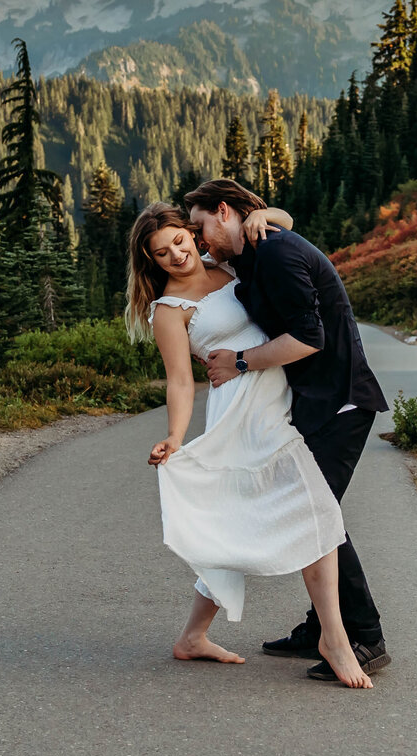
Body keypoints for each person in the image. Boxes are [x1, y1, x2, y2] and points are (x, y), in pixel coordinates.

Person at [125, 202, 373, 689]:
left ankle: (193, 636)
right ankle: (336, 640)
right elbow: (179, 382)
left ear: (193, 234)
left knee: (244, 522)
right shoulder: (169, 310)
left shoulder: (229, 264)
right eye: (161, 253)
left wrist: (269, 215)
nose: (176, 255)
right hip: (244, 411)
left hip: (281, 394)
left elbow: (281, 229)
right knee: (315, 512)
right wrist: (175, 438)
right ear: (151, 262)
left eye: (179, 241)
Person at [184, 179, 391, 682]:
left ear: (225, 210)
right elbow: (271, 228)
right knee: (314, 514)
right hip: (313, 404)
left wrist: (239, 361)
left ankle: (364, 638)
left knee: (315, 517)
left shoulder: (272, 254)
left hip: (340, 402)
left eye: (200, 226)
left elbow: (308, 337)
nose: (198, 239)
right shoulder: (251, 251)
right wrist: (270, 214)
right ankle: (319, 624)